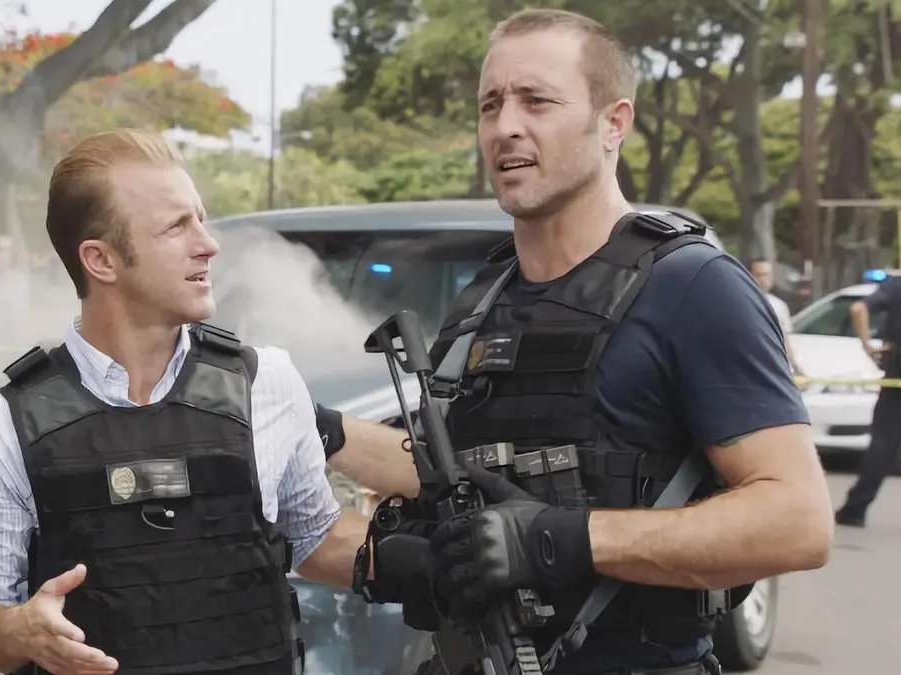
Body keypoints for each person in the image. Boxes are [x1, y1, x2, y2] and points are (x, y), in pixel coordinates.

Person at [314, 9, 834, 675]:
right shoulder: (482, 303)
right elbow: (454, 467)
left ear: (614, 123)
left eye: (537, 101)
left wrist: (561, 541)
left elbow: (797, 519)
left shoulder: (693, 288)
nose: (506, 126)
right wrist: (321, 429)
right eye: (491, 105)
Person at [0, 129, 371, 675]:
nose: (208, 244)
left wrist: (424, 561)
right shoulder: (0, 425)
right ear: (101, 260)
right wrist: (16, 630)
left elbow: (319, 538)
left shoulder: (268, 383)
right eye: (175, 227)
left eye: (200, 219)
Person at [835, 233, 901, 535]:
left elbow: (859, 309)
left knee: (884, 446)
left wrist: (867, 345)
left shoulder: (899, 286)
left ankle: (855, 510)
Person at [748, 257, 803, 376]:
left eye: (767, 275)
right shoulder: (739, 303)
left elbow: (785, 340)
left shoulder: (779, 306)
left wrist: (795, 367)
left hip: (772, 368)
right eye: (758, 275)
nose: (763, 280)